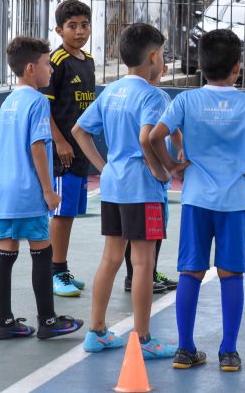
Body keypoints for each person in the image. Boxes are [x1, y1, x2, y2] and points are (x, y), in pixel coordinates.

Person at [149, 29, 245, 372]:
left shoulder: (185, 101)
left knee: (190, 272)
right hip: (234, 200)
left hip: (196, 198)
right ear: (237, 68)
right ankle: (228, 353)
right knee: (231, 273)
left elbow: (154, 136)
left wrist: (172, 167)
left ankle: (184, 349)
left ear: (200, 65)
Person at [72, 23, 177, 359]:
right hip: (142, 189)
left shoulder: (113, 92)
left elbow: (79, 130)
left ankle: (97, 331)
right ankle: (144, 339)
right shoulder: (153, 95)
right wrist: (162, 169)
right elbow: (149, 137)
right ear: (153, 56)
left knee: (112, 257)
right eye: (162, 53)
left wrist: (104, 167)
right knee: (143, 262)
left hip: (114, 185)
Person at [0, 36, 83, 340]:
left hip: (4, 191)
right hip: (28, 189)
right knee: (42, 251)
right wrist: (47, 189)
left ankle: (4, 323)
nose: (51, 70)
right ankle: (48, 320)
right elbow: (38, 148)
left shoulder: (8, 102)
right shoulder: (38, 102)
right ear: (31, 68)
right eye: (47, 64)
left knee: (6, 251)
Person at [40, 0, 95, 297]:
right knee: (60, 213)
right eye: (72, 26)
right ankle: (54, 272)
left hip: (80, 151)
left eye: (84, 25)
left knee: (70, 212)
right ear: (59, 29)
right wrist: (60, 140)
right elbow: (44, 108)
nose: (79, 31)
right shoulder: (56, 61)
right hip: (63, 153)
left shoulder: (88, 61)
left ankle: (61, 268)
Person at [124, 61, 182, 294]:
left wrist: (181, 148)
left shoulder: (162, 98)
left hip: (153, 181)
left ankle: (150, 272)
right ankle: (135, 277)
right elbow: (145, 138)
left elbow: (174, 128)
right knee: (140, 233)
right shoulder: (144, 97)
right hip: (144, 178)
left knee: (156, 230)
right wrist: (159, 168)